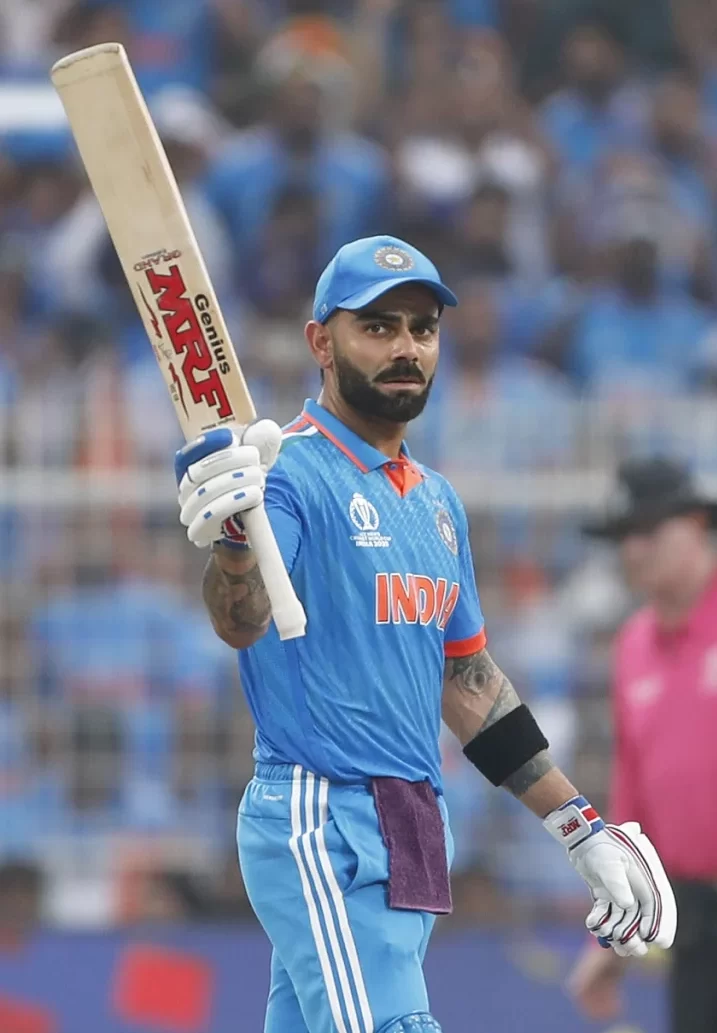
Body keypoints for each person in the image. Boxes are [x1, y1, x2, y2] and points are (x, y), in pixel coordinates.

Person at [174, 235, 676, 1033]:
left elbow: (466, 682)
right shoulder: (286, 472)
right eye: (377, 326)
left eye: (421, 327)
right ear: (320, 342)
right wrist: (235, 543)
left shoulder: (436, 501)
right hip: (324, 814)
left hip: (409, 819)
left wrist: (578, 825)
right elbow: (242, 620)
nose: (405, 346)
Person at [569, 457, 717, 1033]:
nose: (634, 549)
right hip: (698, 922)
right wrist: (615, 932)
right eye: (624, 535)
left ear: (697, 524)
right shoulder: (632, 648)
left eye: (650, 530)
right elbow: (634, 799)